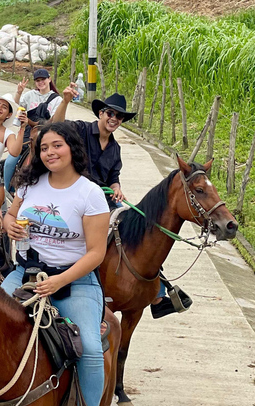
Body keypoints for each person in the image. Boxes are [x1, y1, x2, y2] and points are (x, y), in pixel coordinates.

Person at [2, 121, 110, 406]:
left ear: (72, 148)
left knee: (91, 349)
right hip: (24, 275)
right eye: (44, 147)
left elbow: (96, 253)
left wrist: (59, 281)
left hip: (73, 282)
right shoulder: (29, 185)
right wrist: (8, 223)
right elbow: (10, 216)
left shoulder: (90, 193)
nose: (50, 152)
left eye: (57, 145)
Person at [52, 89, 190, 318]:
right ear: (101, 113)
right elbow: (55, 128)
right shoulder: (81, 130)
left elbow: (114, 177)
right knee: (81, 234)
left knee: (141, 227)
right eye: (110, 113)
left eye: (119, 116)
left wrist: (116, 188)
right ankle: (72, 279)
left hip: (104, 200)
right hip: (76, 196)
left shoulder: (115, 149)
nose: (114, 119)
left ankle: (159, 293)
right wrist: (66, 100)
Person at [3, 68, 62, 193]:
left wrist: (31, 122)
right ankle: (7, 191)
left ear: (49, 79)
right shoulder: (29, 96)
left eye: (43, 79)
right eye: (37, 80)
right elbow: (16, 108)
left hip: (48, 134)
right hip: (27, 134)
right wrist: (19, 93)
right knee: (9, 162)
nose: (41, 82)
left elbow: (55, 120)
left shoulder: (57, 100)